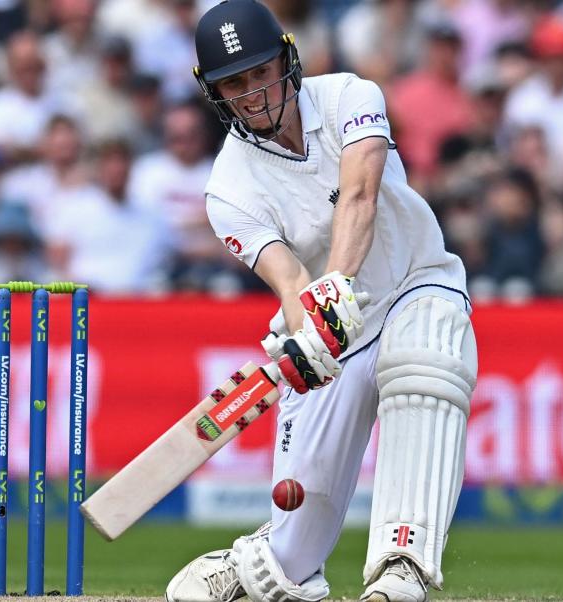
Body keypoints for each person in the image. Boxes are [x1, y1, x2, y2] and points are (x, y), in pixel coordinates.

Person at [165, 2, 478, 602]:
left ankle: (401, 565)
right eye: (235, 82)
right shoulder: (227, 189)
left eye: (260, 72)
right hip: (332, 334)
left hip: (417, 282)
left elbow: (360, 194)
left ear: (287, 59)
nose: (254, 94)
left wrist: (331, 285)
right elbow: (286, 280)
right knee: (293, 541)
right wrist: (307, 323)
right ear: (216, 93)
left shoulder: (350, 97)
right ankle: (263, 560)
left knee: (425, 360)